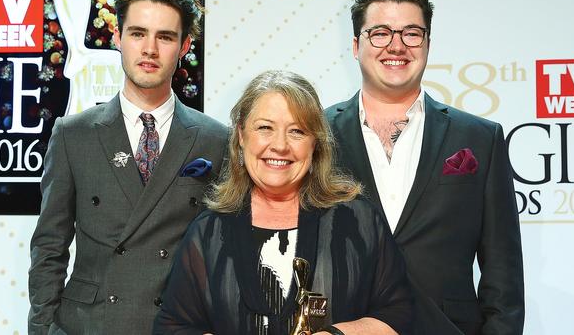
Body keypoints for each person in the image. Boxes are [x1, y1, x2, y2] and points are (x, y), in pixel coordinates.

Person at [28, 0, 229, 334]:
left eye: (165, 37)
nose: (149, 49)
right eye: (138, 33)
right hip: (88, 325)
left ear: (184, 46)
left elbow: (227, 250)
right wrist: (43, 330)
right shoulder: (73, 135)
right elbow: (48, 249)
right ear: (118, 37)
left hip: (175, 324)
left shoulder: (216, 140)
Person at [325, 0, 525, 335]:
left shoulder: (479, 137)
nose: (397, 46)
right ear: (356, 45)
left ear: (428, 44)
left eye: (412, 33)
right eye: (380, 33)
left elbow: (503, 275)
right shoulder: (315, 134)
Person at [152, 70, 413, 335]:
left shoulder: (359, 222)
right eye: (265, 128)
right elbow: (174, 327)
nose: (280, 146)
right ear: (241, 135)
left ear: (315, 143)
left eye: (297, 131)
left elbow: (398, 314)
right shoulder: (208, 231)